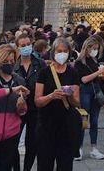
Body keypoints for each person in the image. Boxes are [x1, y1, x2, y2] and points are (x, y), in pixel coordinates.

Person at [34, 38, 81, 171]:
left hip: (66, 125)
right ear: (53, 52)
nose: (62, 54)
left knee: (65, 164)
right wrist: (51, 96)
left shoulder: (73, 73)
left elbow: (77, 102)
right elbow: (37, 101)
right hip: (46, 125)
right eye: (59, 51)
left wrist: (69, 94)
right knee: (45, 164)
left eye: (65, 51)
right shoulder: (44, 72)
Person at [75, 35, 104, 161]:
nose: (95, 50)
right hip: (85, 91)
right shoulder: (79, 62)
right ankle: (79, 148)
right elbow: (84, 79)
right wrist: (99, 72)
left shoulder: (94, 60)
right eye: (93, 48)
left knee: (94, 121)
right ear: (87, 48)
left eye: (96, 48)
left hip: (96, 90)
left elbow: (93, 77)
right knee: (83, 120)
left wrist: (101, 74)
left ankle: (94, 148)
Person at [13, 34, 43, 171]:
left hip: (34, 107)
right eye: (22, 45)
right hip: (17, 108)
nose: (26, 47)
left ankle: (27, 168)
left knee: (33, 142)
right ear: (18, 47)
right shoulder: (13, 65)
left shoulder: (39, 63)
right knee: (13, 141)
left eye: (28, 44)